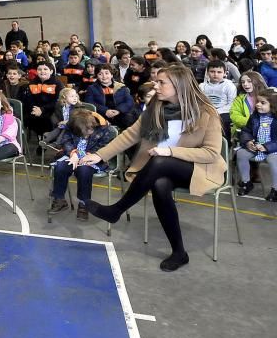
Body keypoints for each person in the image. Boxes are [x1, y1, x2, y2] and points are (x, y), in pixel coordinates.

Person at [84, 64, 226, 272]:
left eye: (161, 83)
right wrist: (99, 155)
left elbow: (211, 153)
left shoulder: (206, 112)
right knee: (159, 184)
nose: (155, 86)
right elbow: (129, 135)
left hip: (197, 169)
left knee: (159, 162)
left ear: (179, 86)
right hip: (160, 168)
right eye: (156, 81)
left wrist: (170, 152)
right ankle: (179, 252)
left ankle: (117, 210)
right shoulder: (155, 108)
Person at [48, 109, 116, 221]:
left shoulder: (106, 129)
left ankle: (84, 204)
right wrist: (73, 154)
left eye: (87, 132)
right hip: (73, 154)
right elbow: (66, 141)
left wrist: (90, 155)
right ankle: (59, 199)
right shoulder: (73, 124)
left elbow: (106, 147)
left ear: (92, 126)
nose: (85, 135)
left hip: (94, 158)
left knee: (84, 170)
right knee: (60, 167)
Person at [235, 88, 277, 200]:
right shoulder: (254, 116)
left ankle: (275, 189)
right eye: (257, 102)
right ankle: (246, 182)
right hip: (257, 146)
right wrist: (248, 141)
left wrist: (267, 147)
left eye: (263, 103)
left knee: (274, 160)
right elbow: (246, 131)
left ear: (272, 105)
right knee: (241, 154)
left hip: (273, 149)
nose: (258, 105)